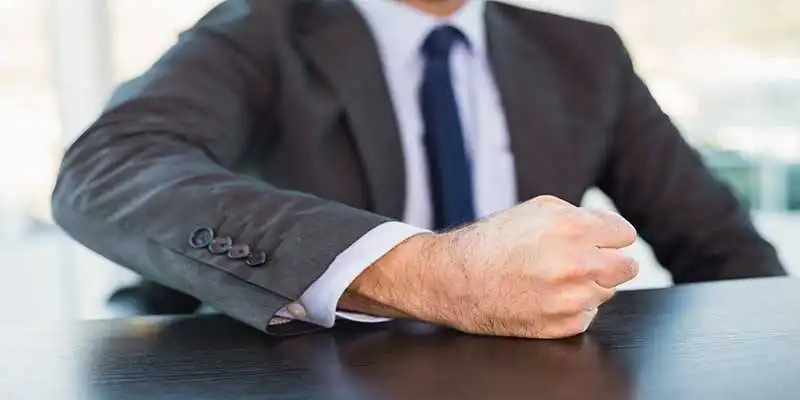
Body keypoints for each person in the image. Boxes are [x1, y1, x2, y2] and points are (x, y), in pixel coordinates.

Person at [51, 0, 785, 339]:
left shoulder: (583, 52)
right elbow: (108, 167)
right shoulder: (260, 29)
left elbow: (721, 249)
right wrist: (431, 271)